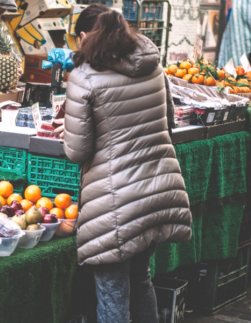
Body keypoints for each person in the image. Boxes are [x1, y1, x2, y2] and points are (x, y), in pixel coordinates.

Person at [61, 5, 192, 323]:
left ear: (83, 37)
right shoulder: (154, 67)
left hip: (116, 201)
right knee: (140, 278)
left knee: (113, 292)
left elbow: (78, 151)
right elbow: (169, 121)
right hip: (158, 190)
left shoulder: (84, 78)